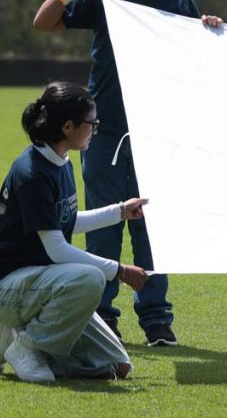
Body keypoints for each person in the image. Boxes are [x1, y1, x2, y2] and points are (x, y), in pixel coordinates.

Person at [32, 0, 222, 346]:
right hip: (104, 132)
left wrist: (209, 31)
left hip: (159, 133)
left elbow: (198, 62)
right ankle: (102, 318)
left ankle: (157, 321)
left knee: (153, 227)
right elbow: (44, 24)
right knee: (105, 225)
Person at [0, 82, 150, 382]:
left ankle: (10, 341)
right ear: (68, 126)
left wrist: (119, 211)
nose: (95, 129)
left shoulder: (59, 160)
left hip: (35, 285)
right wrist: (120, 270)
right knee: (90, 277)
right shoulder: (32, 173)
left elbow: (65, 221)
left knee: (118, 366)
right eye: (92, 124)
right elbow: (57, 248)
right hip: (10, 286)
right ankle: (24, 348)